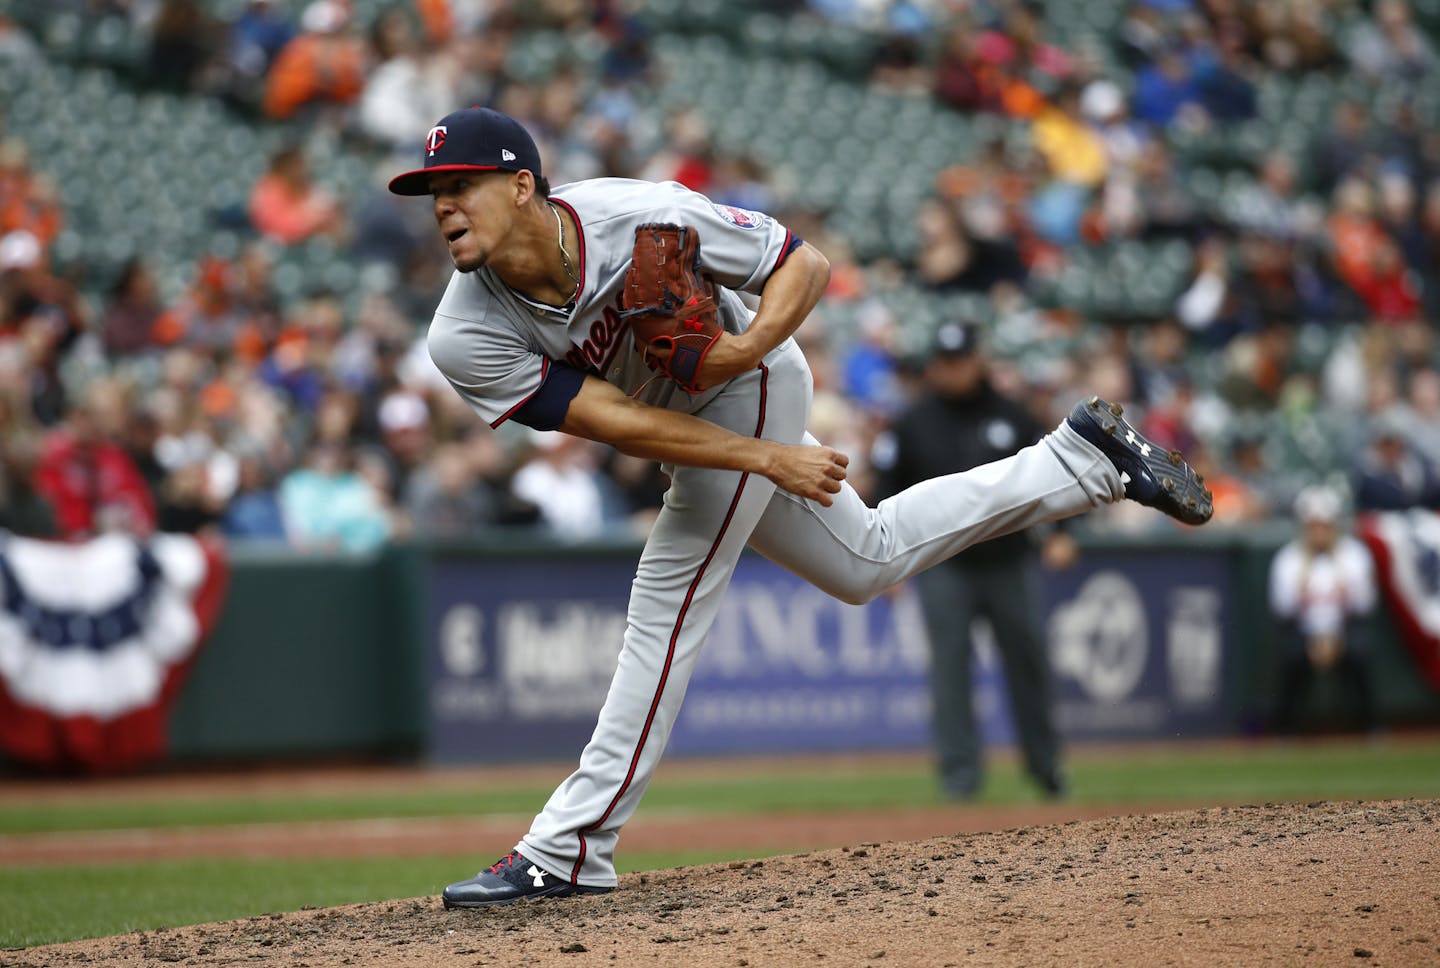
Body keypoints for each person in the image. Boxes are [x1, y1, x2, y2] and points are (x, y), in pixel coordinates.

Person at [386, 107, 1213, 908]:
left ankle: (569, 845)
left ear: (523, 185)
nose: (444, 206)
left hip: (753, 381)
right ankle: (1078, 463)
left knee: (665, 604)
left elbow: (805, 264)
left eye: (460, 183)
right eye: (433, 193)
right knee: (867, 561)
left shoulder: (640, 216)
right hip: (704, 428)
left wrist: (741, 351)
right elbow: (621, 425)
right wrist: (766, 459)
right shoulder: (462, 334)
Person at [872, 321, 1073, 801]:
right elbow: (884, 492)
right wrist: (885, 562)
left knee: (1027, 663)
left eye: (959, 360)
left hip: (1009, 559)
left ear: (978, 360)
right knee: (950, 669)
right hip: (944, 563)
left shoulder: (1013, 414)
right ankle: (960, 776)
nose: (952, 371)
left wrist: (1063, 532)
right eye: (944, 362)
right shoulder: (914, 422)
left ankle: (1046, 767)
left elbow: (1054, 474)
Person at [1268, 485, 1378, 734]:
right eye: (1313, 526)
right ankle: (1285, 729)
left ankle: (1369, 726)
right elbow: (1281, 610)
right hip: (1304, 631)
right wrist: (1300, 591)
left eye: (1325, 525)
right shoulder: (1289, 558)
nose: (1319, 532)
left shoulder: (1355, 555)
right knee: (1291, 656)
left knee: (1359, 652)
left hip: (1344, 629)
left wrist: (1347, 591)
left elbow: (1366, 605)